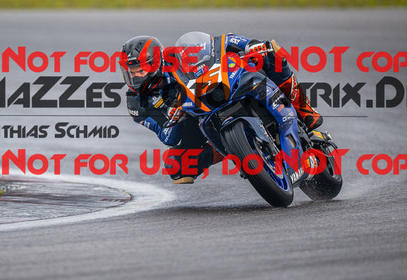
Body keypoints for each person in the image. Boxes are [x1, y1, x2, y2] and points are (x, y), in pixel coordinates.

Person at [120, 32, 322, 184]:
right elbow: (167, 137)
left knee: (270, 54)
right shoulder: (136, 103)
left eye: (140, 70)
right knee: (176, 165)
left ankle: (303, 108)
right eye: (131, 71)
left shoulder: (174, 56)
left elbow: (220, 43)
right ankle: (240, 152)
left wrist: (249, 45)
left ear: (156, 62)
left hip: (211, 91)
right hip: (192, 120)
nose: (135, 76)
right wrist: (174, 119)